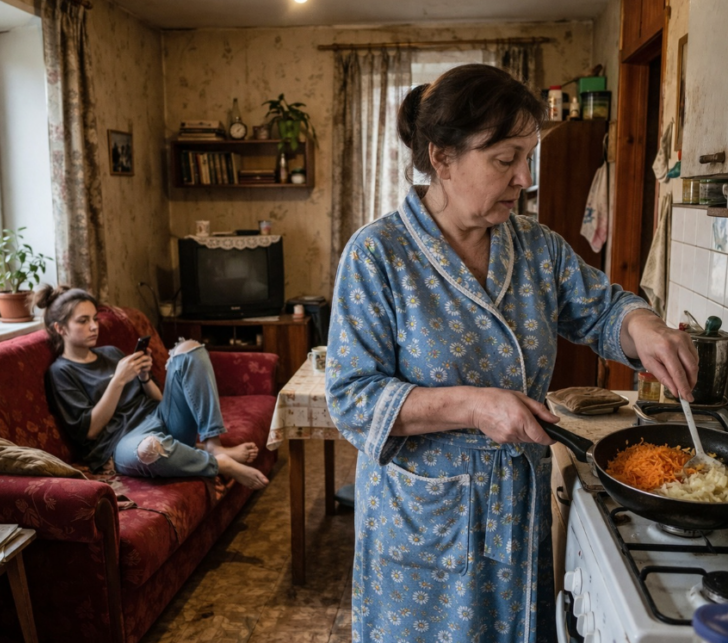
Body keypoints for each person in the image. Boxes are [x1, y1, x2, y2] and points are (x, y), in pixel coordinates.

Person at [324, 64, 698, 643]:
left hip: (516, 508)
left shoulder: (537, 247)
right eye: (504, 159)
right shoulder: (378, 255)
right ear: (442, 157)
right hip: (426, 522)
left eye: (530, 156)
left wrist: (643, 325)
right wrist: (475, 407)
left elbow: (602, 310)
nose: (524, 177)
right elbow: (352, 399)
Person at [37, 285, 268, 489]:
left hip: (160, 418)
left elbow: (157, 401)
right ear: (60, 329)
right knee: (150, 449)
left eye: (95, 319)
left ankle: (213, 445)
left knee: (190, 349)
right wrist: (118, 380)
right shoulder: (61, 372)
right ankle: (218, 463)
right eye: (83, 321)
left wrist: (145, 377)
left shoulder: (110, 353)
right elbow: (90, 430)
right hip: (123, 442)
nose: (94, 327)